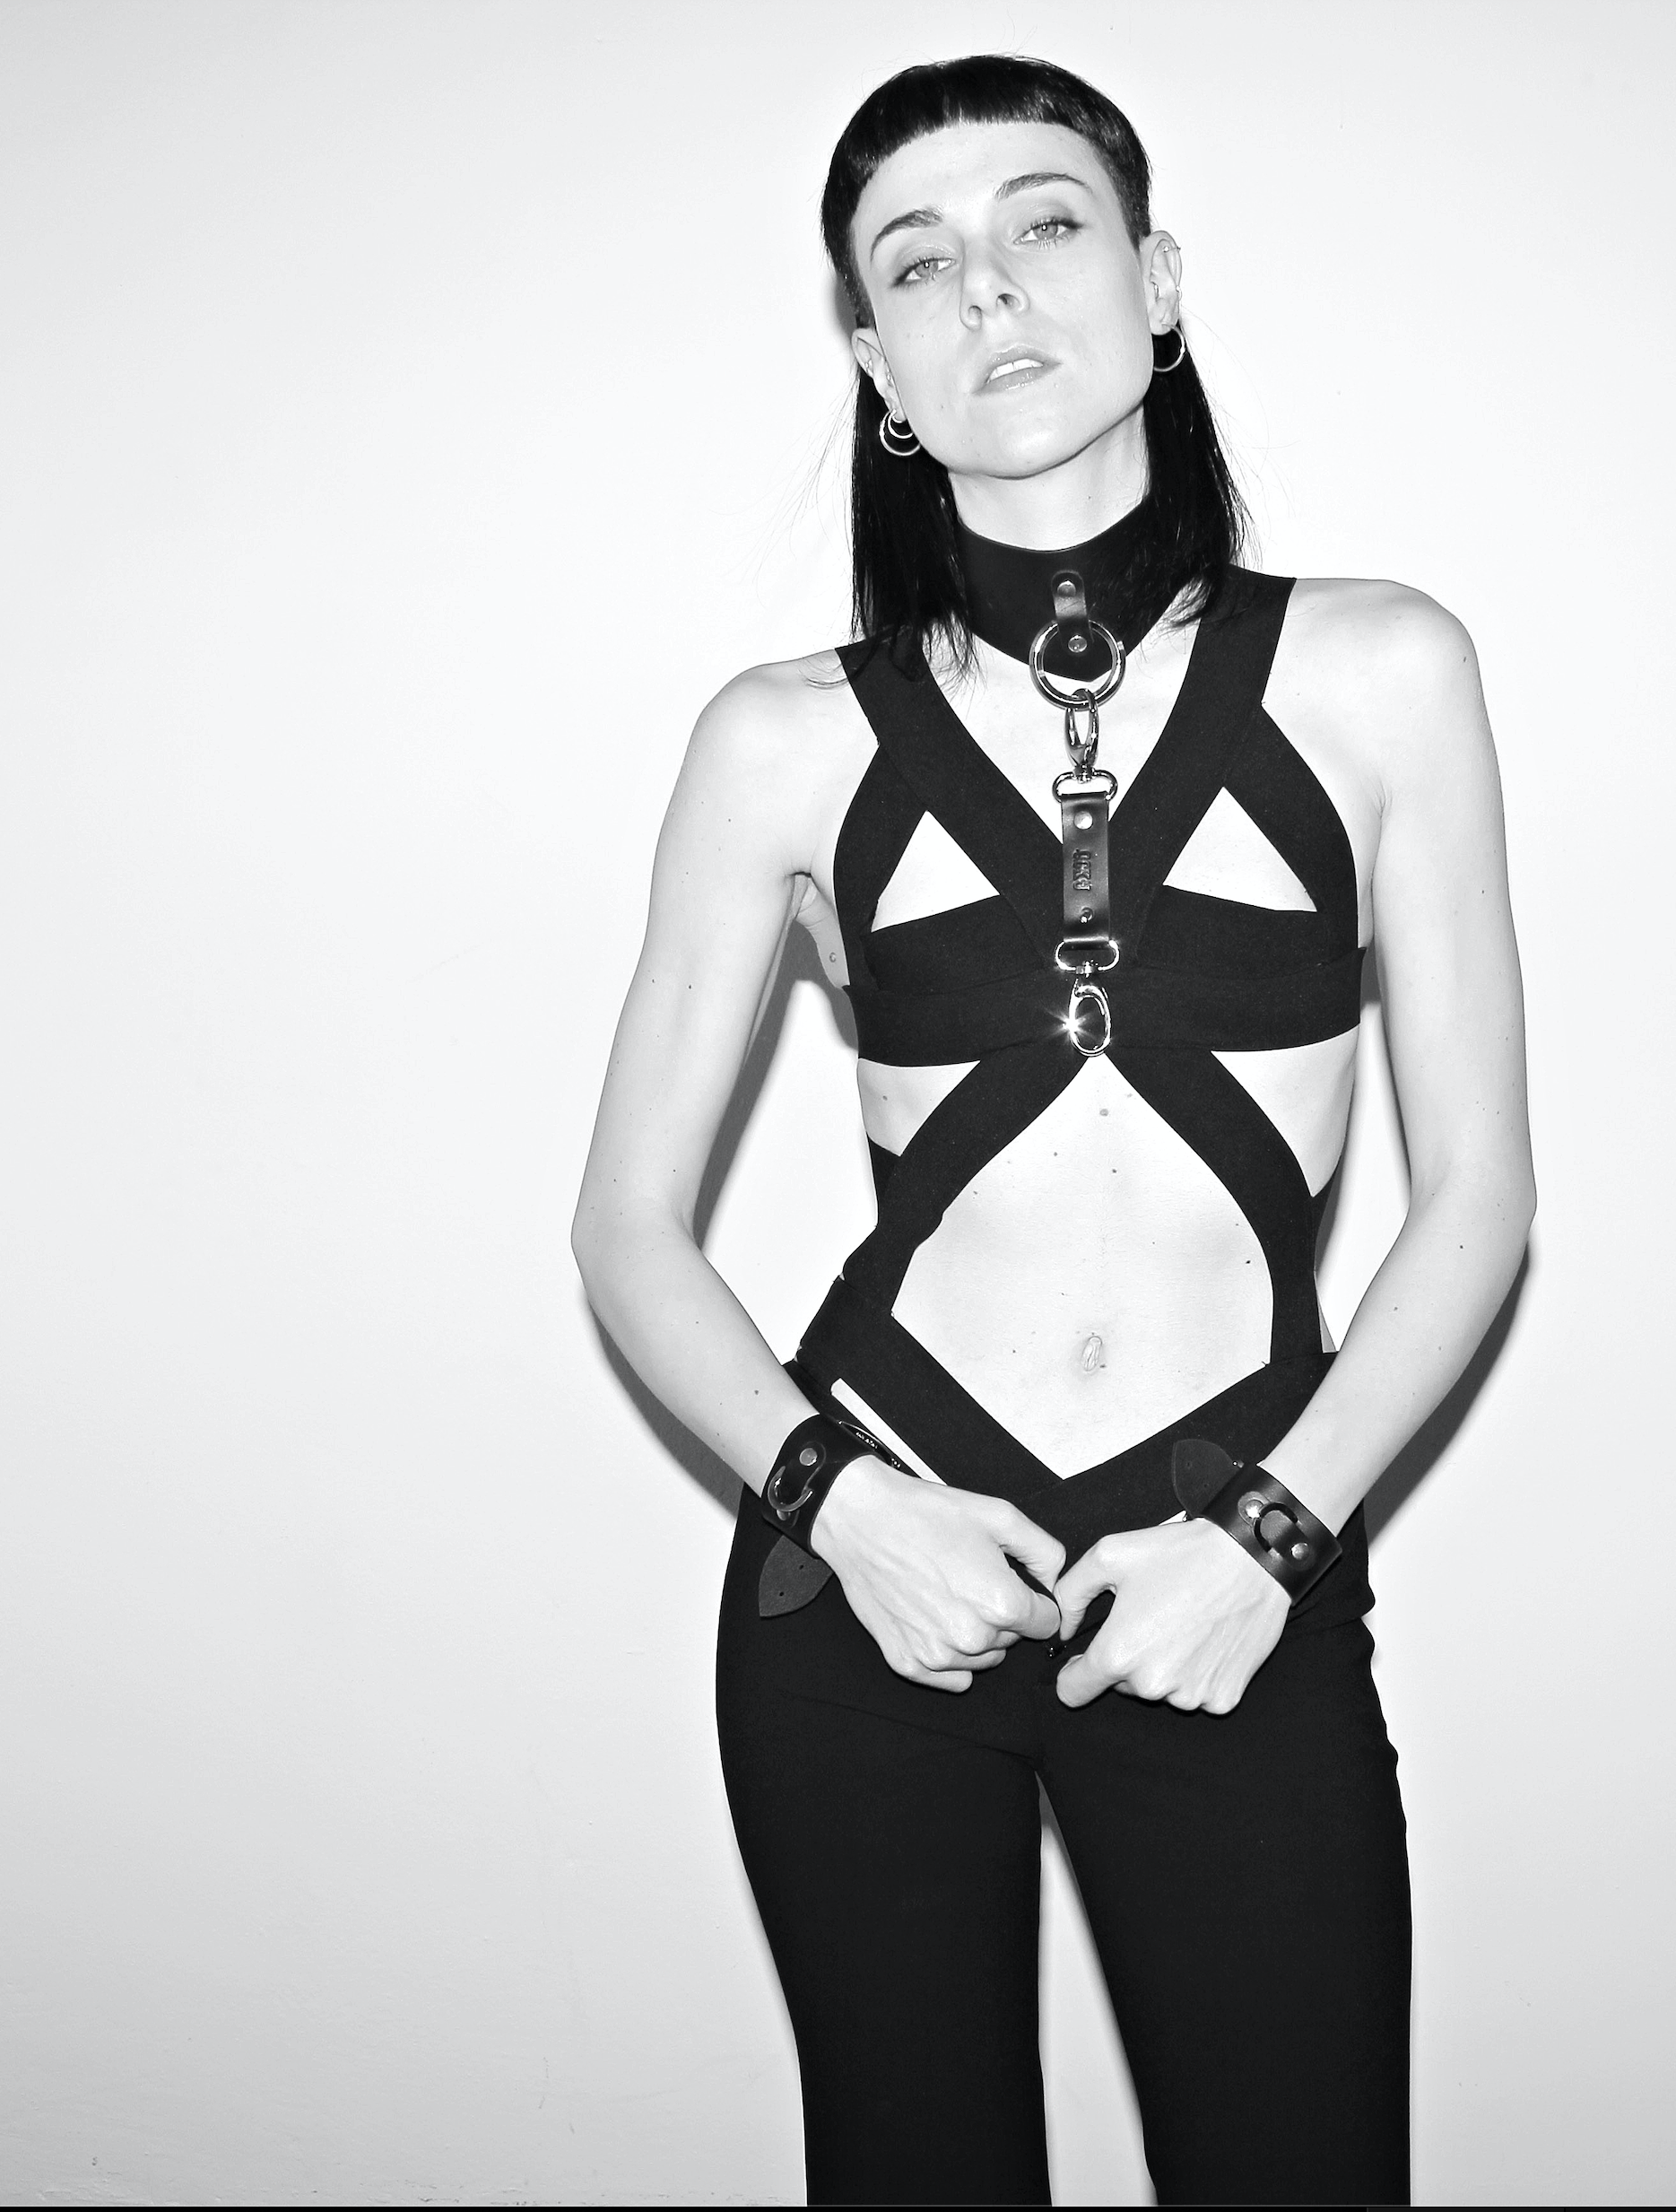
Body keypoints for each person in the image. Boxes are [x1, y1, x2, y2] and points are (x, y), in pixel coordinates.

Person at [572, 53, 1534, 2207]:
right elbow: (627, 1227)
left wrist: (1264, 1543)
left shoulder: (1381, 672)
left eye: (1043, 225)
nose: (987, 288)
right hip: (868, 1576)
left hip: (1229, 1563)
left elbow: (1478, 1196)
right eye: (916, 264)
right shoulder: (775, 744)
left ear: (1154, 280)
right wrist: (843, 1509)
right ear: (874, 363)